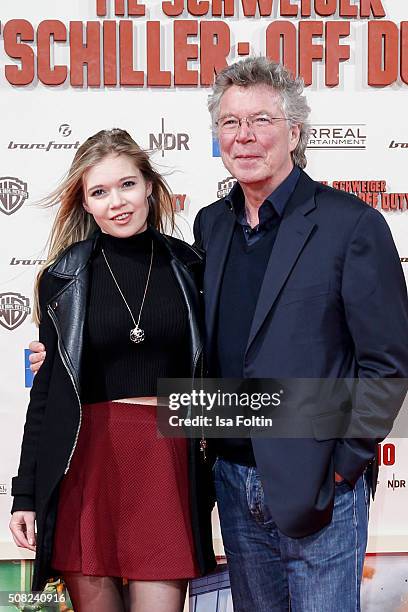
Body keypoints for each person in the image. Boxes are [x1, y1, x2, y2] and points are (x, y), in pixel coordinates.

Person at [29, 59, 408, 611]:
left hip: (319, 483)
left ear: (295, 132)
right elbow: (178, 338)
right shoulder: (212, 226)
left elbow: (387, 364)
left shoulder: (351, 225)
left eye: (260, 120)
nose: (244, 136)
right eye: (230, 123)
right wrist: (65, 358)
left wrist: (345, 463)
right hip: (230, 481)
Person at [10, 128, 215, 612]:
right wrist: (24, 493)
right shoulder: (63, 277)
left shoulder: (193, 268)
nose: (116, 202)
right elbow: (46, 399)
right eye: (99, 192)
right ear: (84, 203)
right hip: (89, 461)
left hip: (167, 462)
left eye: (126, 185)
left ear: (149, 186)